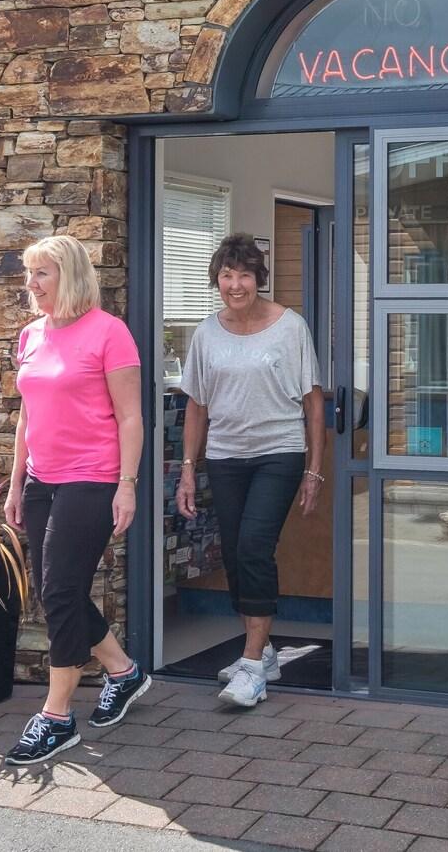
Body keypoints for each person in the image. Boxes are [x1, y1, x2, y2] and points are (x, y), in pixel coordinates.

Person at [1, 234, 149, 766]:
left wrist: (127, 484)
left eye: (42, 273)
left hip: (93, 477)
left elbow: (130, 416)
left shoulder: (110, 335)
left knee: (62, 590)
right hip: (42, 479)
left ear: (71, 276)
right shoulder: (31, 336)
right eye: (29, 274)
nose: (32, 284)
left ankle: (57, 717)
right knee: (51, 590)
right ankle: (123, 670)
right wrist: (16, 484)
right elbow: (26, 416)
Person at [175, 232, 326, 709]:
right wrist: (186, 470)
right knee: (237, 556)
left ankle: (251, 663)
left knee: (255, 548)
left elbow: (313, 403)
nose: (235, 284)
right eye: (226, 275)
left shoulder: (289, 326)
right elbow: (196, 406)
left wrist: (314, 469)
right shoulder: (206, 332)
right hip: (225, 457)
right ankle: (264, 653)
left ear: (258, 278)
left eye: (243, 275)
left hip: (278, 452)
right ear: (216, 280)